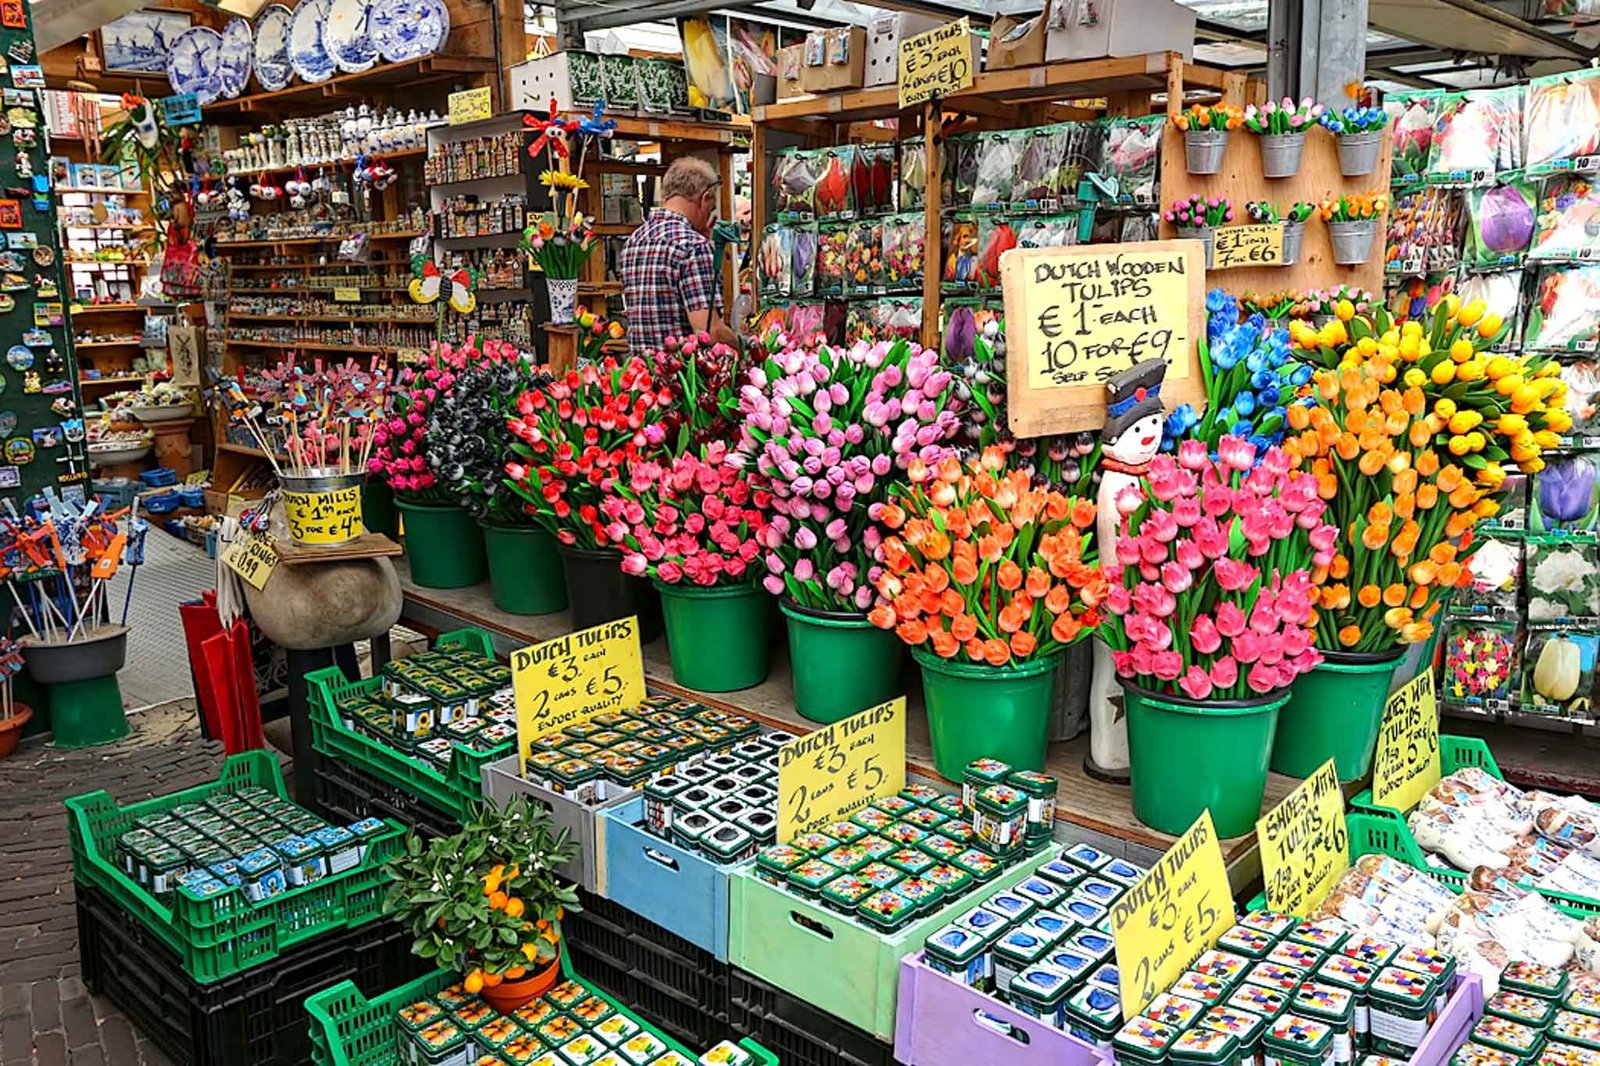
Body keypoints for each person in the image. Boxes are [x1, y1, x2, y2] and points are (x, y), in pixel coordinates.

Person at [619, 157, 738, 352]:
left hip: (642, 375)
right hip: (682, 377)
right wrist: (743, 346)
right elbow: (709, 332)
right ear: (704, 197)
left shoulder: (635, 240)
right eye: (711, 207)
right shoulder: (693, 246)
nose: (710, 215)